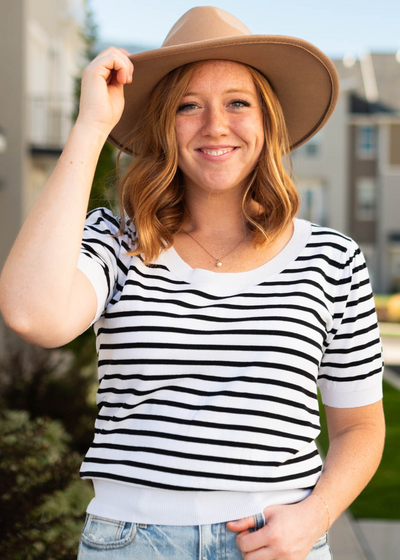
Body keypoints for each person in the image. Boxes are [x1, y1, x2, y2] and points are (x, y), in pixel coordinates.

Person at [0, 6, 385, 560]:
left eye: (237, 102)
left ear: (266, 120)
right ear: (164, 124)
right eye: (188, 106)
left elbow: (361, 427)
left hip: (279, 542)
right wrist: (91, 130)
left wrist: (315, 517)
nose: (215, 125)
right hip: (131, 543)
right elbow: (32, 315)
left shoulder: (333, 259)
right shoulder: (115, 241)